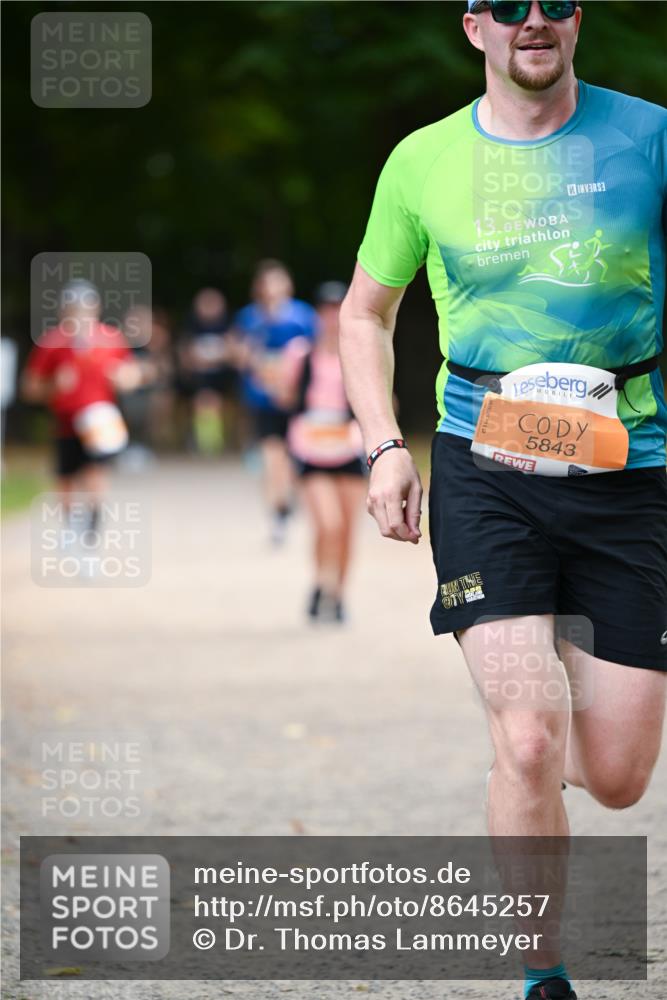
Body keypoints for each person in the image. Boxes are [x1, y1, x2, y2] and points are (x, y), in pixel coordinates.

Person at [339, 4, 667, 999]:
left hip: (631, 468)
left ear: (577, 20)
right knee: (525, 736)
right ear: (473, 24)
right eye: (508, 2)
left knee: (613, 775)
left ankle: (556, 736)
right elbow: (364, 314)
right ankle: (542, 973)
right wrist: (384, 446)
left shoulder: (648, 138)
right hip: (486, 471)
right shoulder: (423, 160)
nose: (534, 18)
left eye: (555, 0)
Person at [22, 280, 142, 535]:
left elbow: (132, 373)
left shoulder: (111, 338)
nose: (80, 315)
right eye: (74, 309)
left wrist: (125, 378)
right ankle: (71, 530)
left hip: (99, 422)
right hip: (66, 422)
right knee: (66, 481)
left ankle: (91, 533)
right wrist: (54, 385)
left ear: (96, 309)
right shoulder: (52, 342)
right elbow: (30, 388)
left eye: (85, 309)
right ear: (64, 312)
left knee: (95, 473)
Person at [280, 282, 366, 622]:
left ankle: (339, 593)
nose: (331, 316)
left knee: (347, 528)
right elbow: (285, 398)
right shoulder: (299, 353)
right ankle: (319, 580)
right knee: (327, 524)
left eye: (337, 308)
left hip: (348, 446)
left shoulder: (359, 352)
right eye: (325, 309)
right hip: (312, 448)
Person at [232, 260, 317, 544]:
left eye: (277, 281)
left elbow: (316, 354)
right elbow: (238, 354)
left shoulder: (303, 316)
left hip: (296, 400)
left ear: (287, 285)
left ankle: (287, 497)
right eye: (266, 283)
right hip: (263, 399)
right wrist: (250, 358)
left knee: (293, 459)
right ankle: (278, 513)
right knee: (272, 456)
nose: (271, 289)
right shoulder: (249, 318)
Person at [178, 287, 239, 454]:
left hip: (224, 377)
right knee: (203, 400)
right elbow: (186, 355)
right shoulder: (191, 326)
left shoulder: (228, 325)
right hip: (198, 379)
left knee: (218, 400)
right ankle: (206, 443)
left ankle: (217, 442)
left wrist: (216, 359)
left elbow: (234, 353)